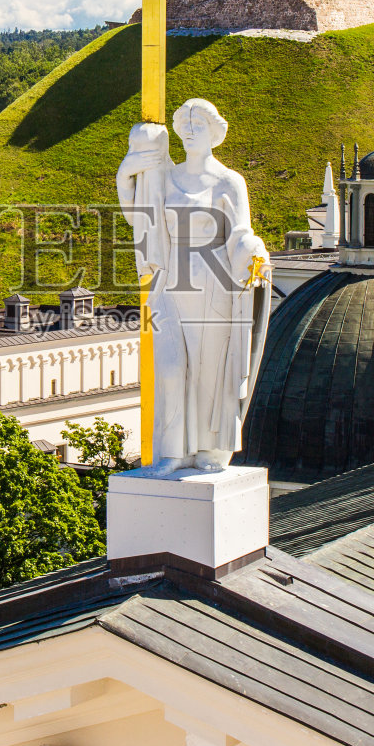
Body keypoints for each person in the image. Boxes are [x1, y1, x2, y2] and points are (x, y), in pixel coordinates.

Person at [116, 98, 271, 473]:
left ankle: (209, 449)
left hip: (214, 284)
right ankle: (173, 452)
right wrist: (125, 176)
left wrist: (253, 252)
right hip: (170, 283)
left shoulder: (229, 181)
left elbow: (240, 232)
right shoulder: (165, 178)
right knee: (170, 368)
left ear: (215, 132)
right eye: (183, 123)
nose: (187, 130)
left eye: (197, 123)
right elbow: (139, 218)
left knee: (209, 371)